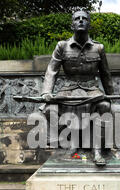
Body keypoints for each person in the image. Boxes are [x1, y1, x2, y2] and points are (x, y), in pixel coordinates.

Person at [40, 10, 114, 166]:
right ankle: (68, 145)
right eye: (77, 18)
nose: (81, 21)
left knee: (105, 106)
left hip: (91, 89)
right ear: (72, 24)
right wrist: (47, 92)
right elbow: (51, 71)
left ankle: (96, 150)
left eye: (84, 18)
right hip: (68, 89)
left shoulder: (98, 48)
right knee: (48, 110)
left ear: (89, 23)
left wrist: (110, 96)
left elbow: (105, 74)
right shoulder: (62, 46)